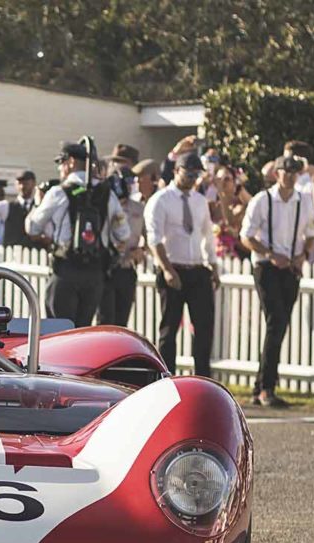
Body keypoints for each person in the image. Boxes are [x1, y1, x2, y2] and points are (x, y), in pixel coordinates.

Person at [240, 154, 314, 406]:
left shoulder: (303, 201)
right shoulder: (263, 200)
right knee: (277, 321)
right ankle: (266, 388)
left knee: (278, 324)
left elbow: (311, 233)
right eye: (287, 171)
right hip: (266, 267)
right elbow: (246, 236)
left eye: (295, 172)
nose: (291, 176)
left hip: (290, 268)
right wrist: (271, 254)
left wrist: (302, 255)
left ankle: (260, 386)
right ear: (277, 173)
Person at [27, 142, 130, 327]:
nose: (59, 168)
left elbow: (33, 228)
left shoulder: (58, 192)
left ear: (71, 162)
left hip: (66, 270)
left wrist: (37, 203)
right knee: (82, 332)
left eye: (61, 162)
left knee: (58, 330)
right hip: (95, 274)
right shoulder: (108, 194)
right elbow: (123, 233)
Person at [146, 153, 220, 376]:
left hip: (197, 269)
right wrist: (167, 270)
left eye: (196, 175)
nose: (192, 179)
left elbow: (207, 234)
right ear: (176, 171)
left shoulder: (199, 201)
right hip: (173, 268)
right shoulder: (161, 200)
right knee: (169, 329)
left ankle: (203, 378)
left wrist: (213, 266)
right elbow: (154, 239)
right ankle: (167, 378)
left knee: (204, 328)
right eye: (188, 174)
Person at [98, 158, 156, 327]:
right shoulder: (104, 206)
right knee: (105, 319)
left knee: (122, 320)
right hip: (107, 269)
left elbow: (150, 237)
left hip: (127, 269)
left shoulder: (139, 208)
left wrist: (142, 250)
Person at [2, 170, 39, 247]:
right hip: (13, 251)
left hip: (34, 251)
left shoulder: (39, 206)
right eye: (19, 183)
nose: (22, 187)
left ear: (34, 184)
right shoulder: (8, 206)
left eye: (26, 183)